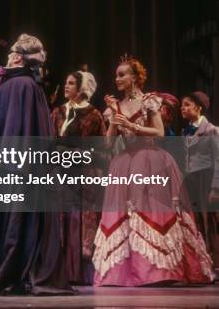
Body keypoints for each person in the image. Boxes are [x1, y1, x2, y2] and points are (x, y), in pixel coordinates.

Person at [0, 34, 73, 295]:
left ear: (18, 57)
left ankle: (7, 273)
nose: (8, 56)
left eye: (11, 53)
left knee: (13, 220)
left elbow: (20, 132)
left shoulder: (21, 86)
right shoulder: (15, 85)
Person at [93, 55, 214, 286]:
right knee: (124, 216)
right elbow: (108, 145)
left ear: (135, 78)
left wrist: (132, 126)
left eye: (122, 74)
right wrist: (113, 119)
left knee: (152, 211)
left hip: (150, 160)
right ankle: (125, 272)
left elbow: (159, 133)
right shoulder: (116, 105)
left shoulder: (150, 101)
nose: (117, 79)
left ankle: (158, 272)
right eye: (116, 75)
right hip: (124, 164)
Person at [51, 71, 106, 285]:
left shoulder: (94, 115)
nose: (66, 86)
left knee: (79, 220)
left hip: (83, 173)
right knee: (60, 219)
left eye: (71, 83)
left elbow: (102, 148)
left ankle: (79, 272)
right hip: (59, 172)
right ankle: (59, 271)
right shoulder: (58, 112)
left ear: (82, 87)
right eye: (66, 82)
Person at [181, 91, 219, 268]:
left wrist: (215, 188)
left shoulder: (212, 130)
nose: (183, 108)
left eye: (187, 104)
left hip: (206, 177)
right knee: (195, 221)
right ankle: (202, 261)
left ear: (199, 107)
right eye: (182, 105)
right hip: (191, 179)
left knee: (211, 220)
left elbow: (218, 160)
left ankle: (216, 260)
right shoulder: (185, 131)